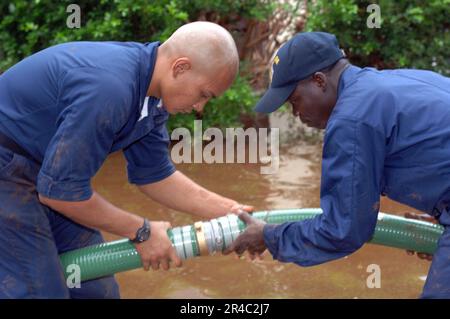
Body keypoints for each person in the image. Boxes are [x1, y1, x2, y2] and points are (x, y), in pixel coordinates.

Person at [0, 21, 253, 298]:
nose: (200, 108)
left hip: (44, 173)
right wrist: (141, 231)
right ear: (180, 67)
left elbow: (156, 176)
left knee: (96, 288)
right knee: (41, 291)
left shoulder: (152, 100)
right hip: (9, 171)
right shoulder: (111, 88)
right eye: (204, 94)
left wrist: (231, 211)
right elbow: (61, 194)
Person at [224, 32, 450, 298]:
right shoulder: (399, 80)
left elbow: (344, 230)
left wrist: (270, 237)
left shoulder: (351, 119)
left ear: (319, 81)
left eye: (294, 102)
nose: (297, 116)